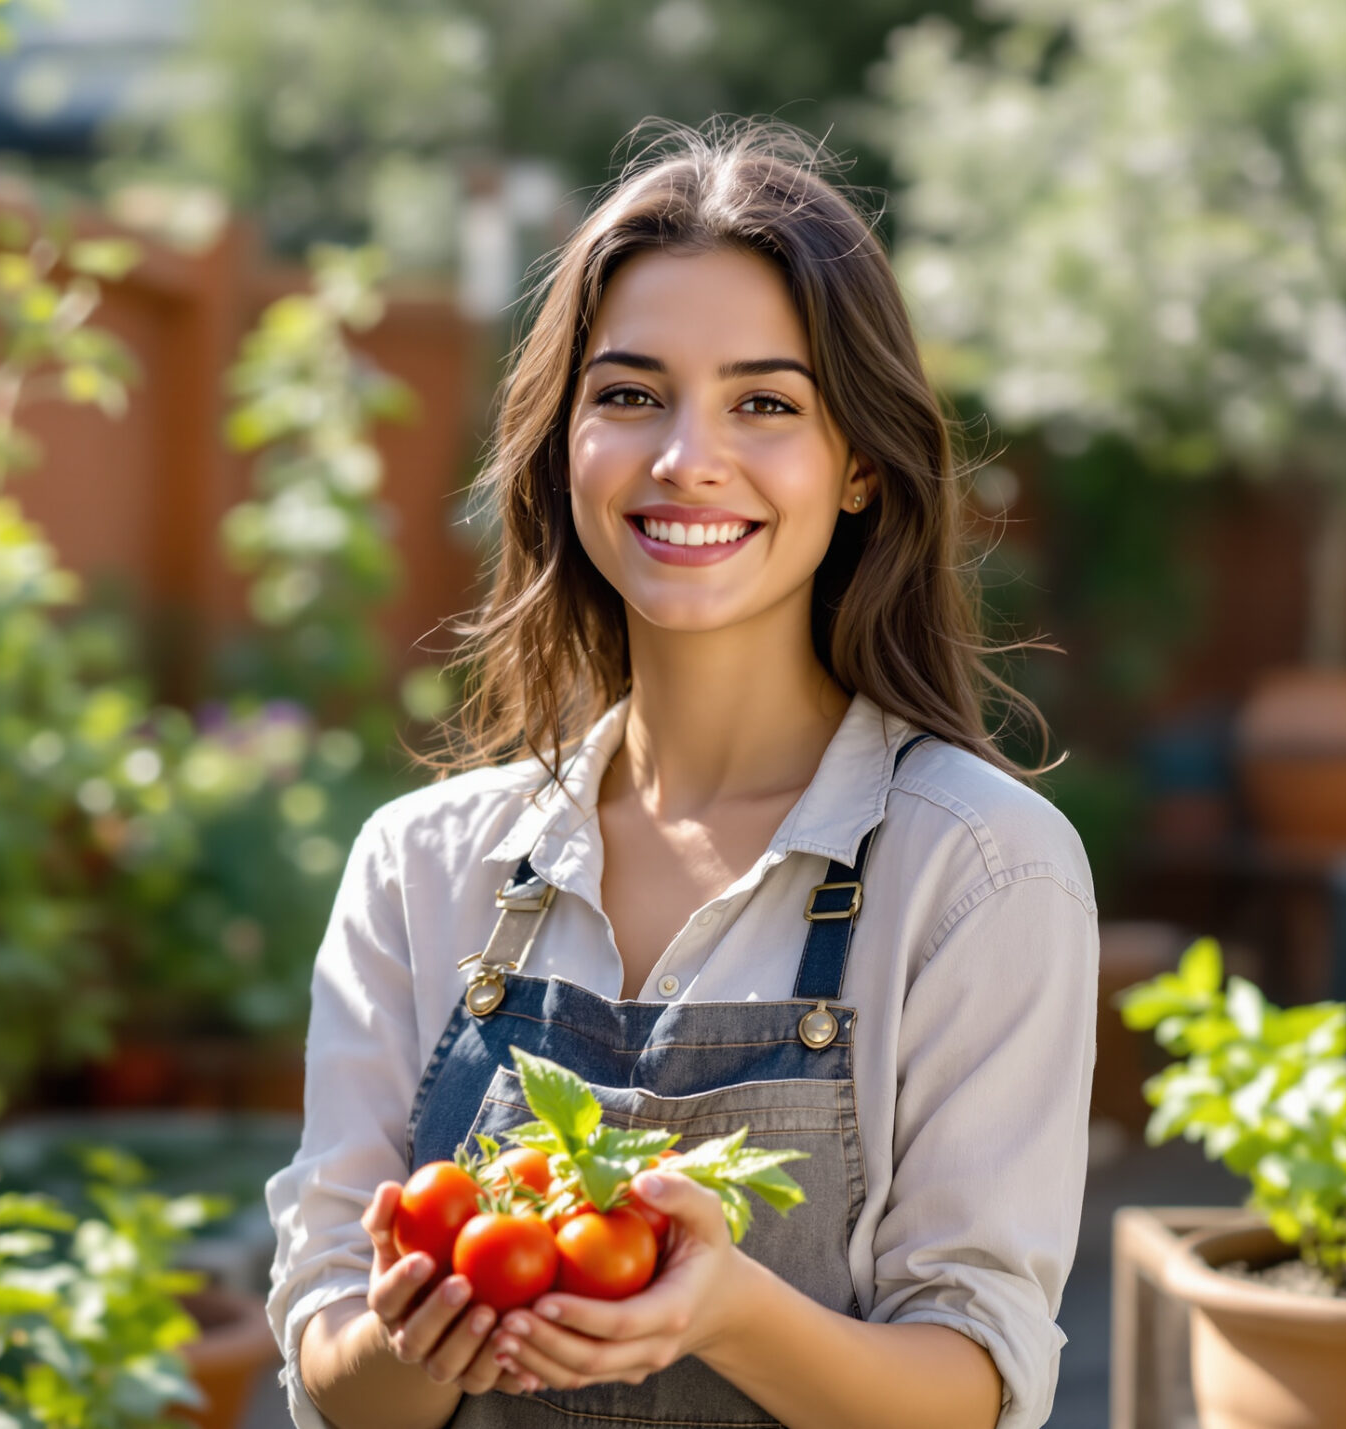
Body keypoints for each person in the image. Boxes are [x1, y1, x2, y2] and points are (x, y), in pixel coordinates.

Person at [263, 119, 1098, 1429]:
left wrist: (729, 1308)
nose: (683, 458)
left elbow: (977, 1385)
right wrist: (425, 1335)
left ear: (861, 466)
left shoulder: (981, 866)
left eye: (764, 402)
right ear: (564, 443)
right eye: (630, 394)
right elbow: (332, 1380)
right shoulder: (419, 867)